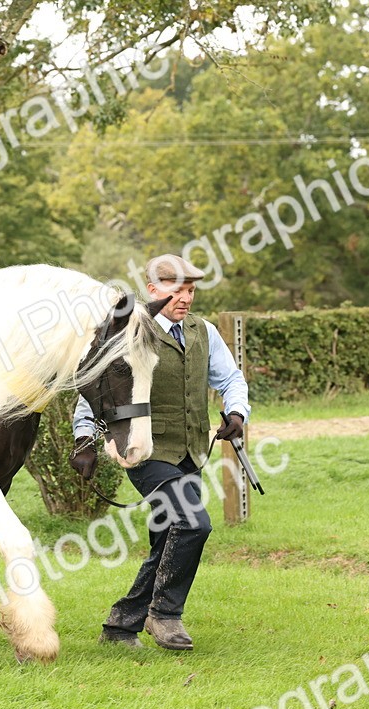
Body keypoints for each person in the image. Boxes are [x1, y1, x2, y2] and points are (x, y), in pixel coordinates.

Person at [70, 254, 250, 651]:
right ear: (153, 289)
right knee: (192, 525)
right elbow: (96, 389)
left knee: (167, 538)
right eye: (176, 289)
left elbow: (230, 377)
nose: (185, 298)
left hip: (190, 452)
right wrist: (83, 439)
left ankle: (120, 626)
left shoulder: (203, 331)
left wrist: (236, 412)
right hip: (145, 450)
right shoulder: (130, 330)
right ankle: (164, 615)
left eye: (190, 289)